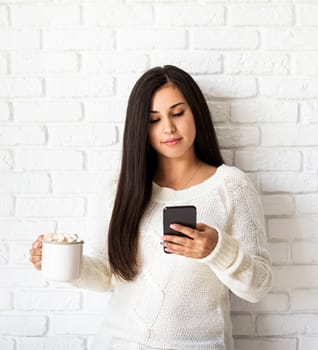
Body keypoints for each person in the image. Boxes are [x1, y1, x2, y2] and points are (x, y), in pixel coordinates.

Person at [29, 65, 272, 350]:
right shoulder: (119, 190)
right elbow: (105, 275)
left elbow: (258, 286)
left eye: (178, 113)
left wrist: (217, 250)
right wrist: (63, 262)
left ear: (197, 112)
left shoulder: (231, 187)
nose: (168, 127)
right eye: (154, 120)